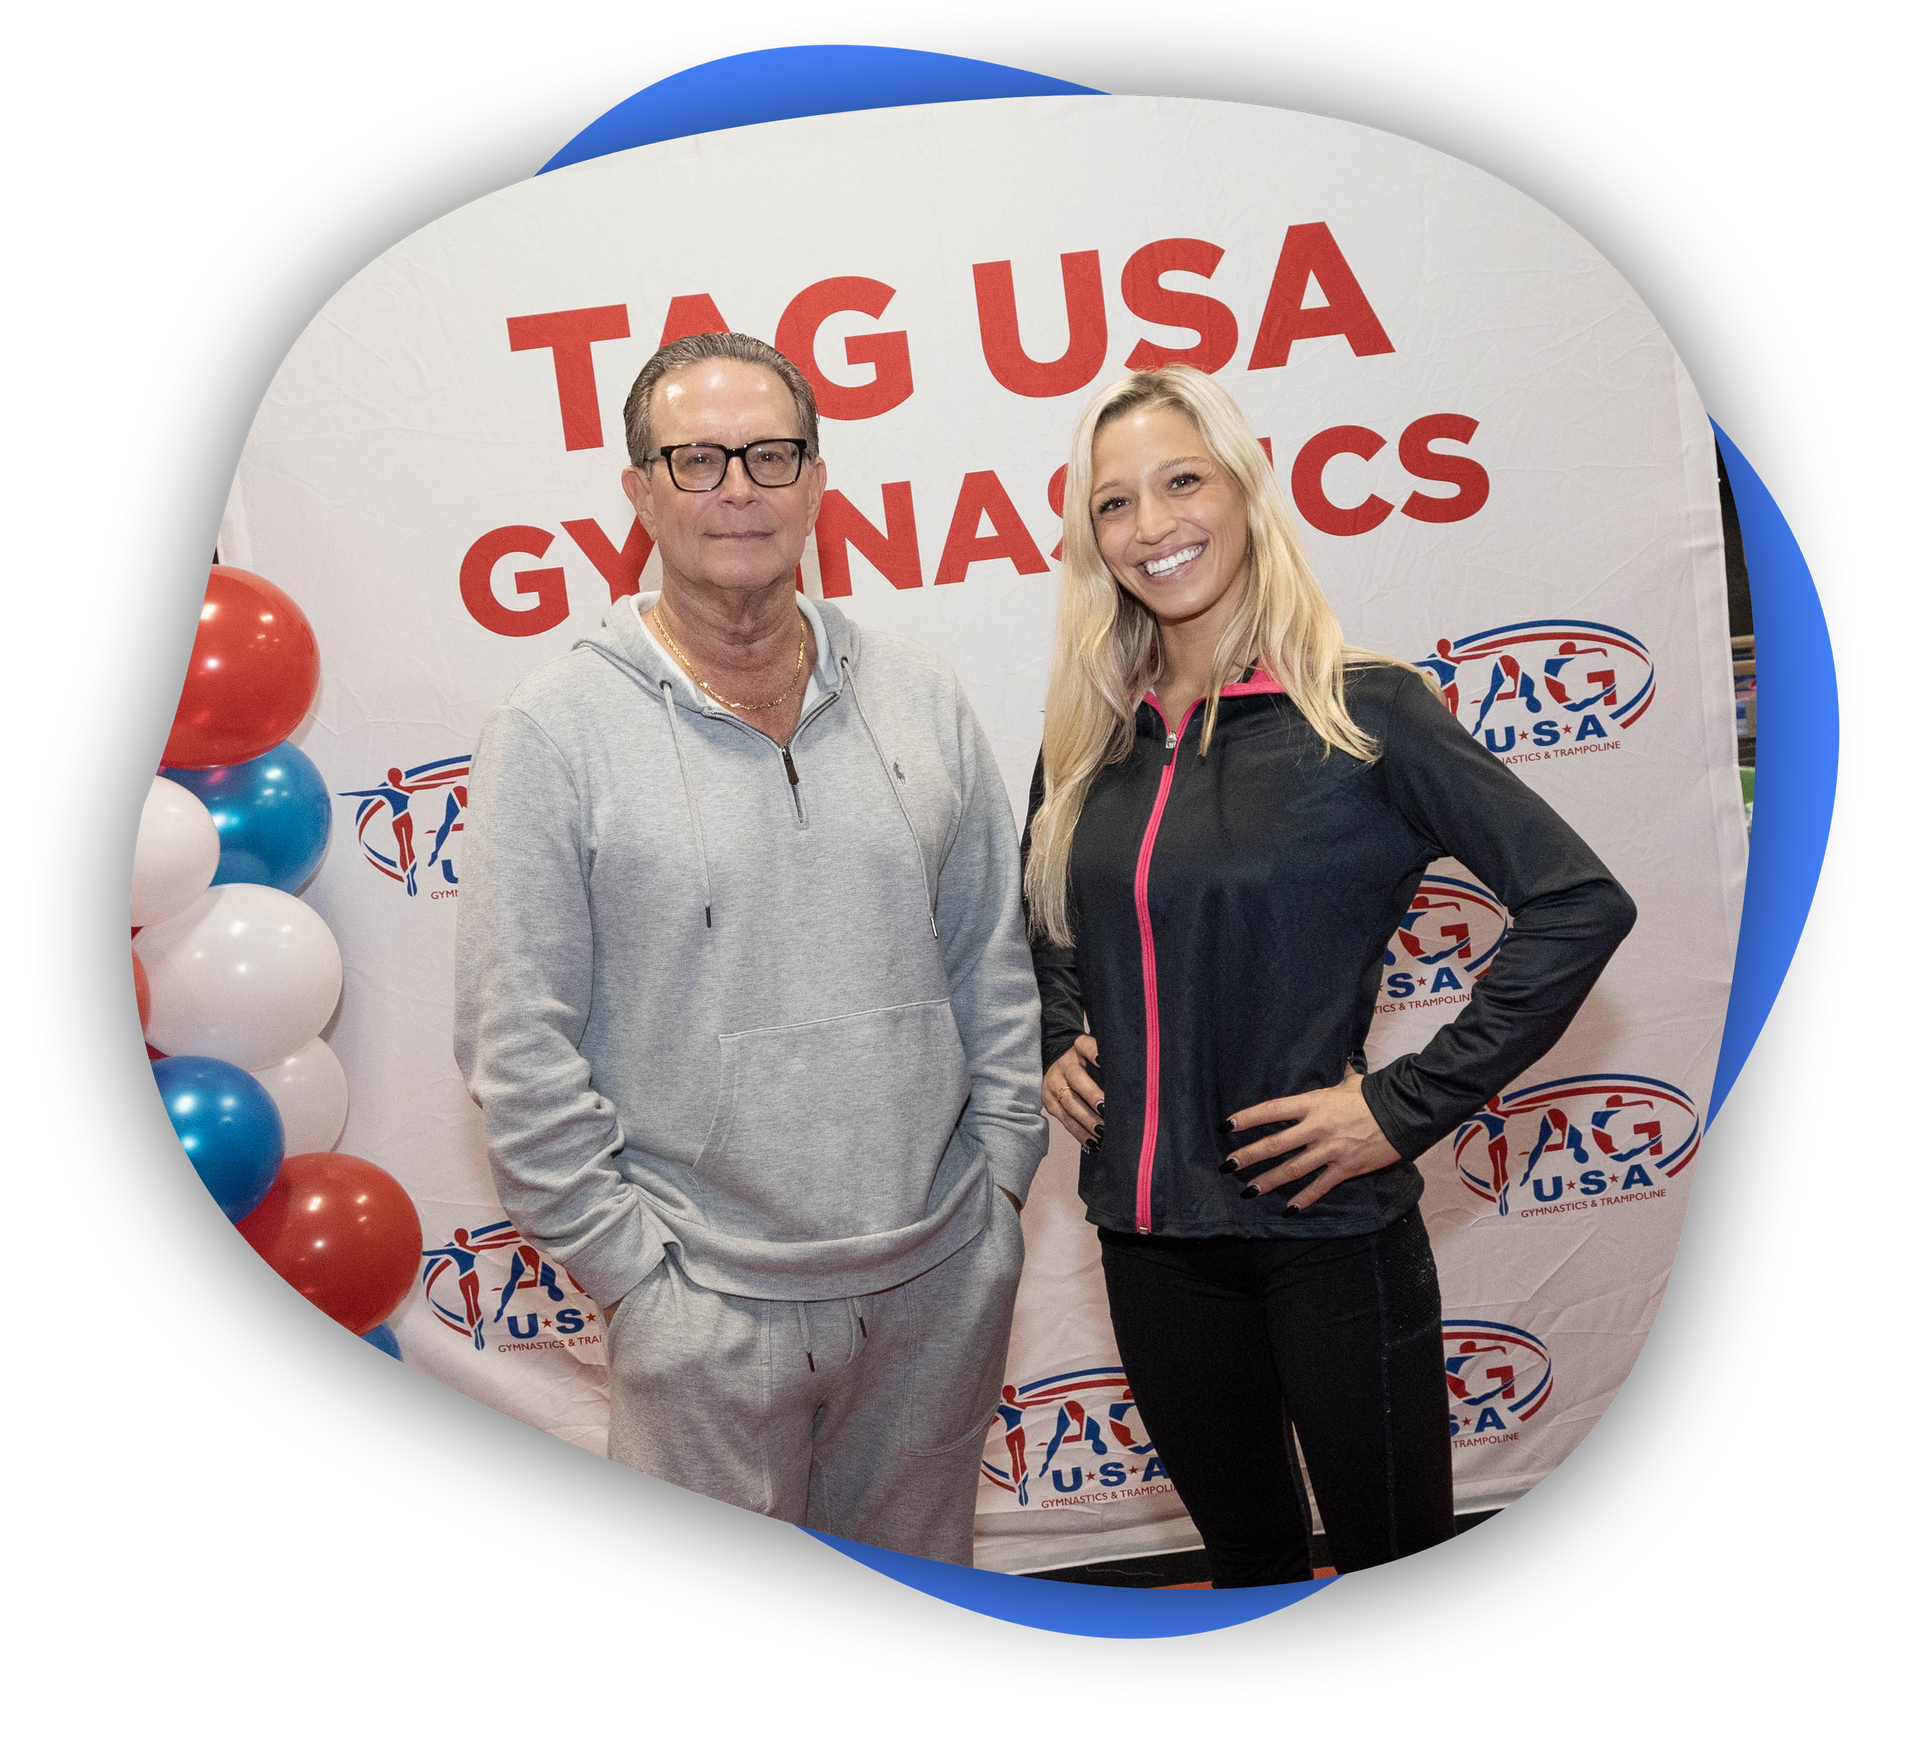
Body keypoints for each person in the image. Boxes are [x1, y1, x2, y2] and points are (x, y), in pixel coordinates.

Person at [1024, 365, 1636, 1584]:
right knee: (1248, 1562)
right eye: (1114, 503)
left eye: (1182, 482)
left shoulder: (1364, 709)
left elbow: (1578, 902)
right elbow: (1051, 914)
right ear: (1089, 539)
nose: (1153, 526)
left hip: (1325, 1231)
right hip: (1148, 1241)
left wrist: (1402, 1106)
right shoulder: (1090, 737)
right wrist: (1061, 1030)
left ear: (1248, 493)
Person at [454, 332, 1047, 1564]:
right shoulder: (554, 730)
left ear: (819, 482)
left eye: (772, 454)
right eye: (698, 457)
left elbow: (992, 956)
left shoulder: (921, 688)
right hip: (702, 1305)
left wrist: (995, 1186)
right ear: (640, 492)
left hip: (939, 1275)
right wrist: (636, 1280)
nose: (739, 486)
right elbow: (515, 1041)